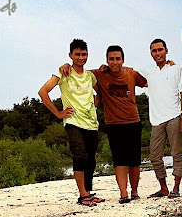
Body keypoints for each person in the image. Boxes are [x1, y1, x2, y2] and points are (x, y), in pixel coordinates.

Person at [61, 46, 147, 204]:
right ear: (107, 60)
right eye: (112, 59)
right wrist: (66, 65)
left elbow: (151, 82)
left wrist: (165, 67)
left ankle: (135, 191)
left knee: (135, 160)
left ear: (123, 60)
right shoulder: (99, 74)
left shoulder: (131, 73)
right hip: (113, 124)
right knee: (119, 160)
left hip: (133, 121)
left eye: (118, 59)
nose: (115, 62)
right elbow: (79, 70)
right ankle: (123, 193)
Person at [38, 39, 103, 206]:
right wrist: (58, 113)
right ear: (70, 55)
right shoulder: (63, 73)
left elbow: (99, 93)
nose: (81, 57)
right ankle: (82, 195)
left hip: (91, 122)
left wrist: (94, 106)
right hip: (73, 121)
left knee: (90, 159)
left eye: (84, 54)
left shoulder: (90, 76)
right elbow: (43, 92)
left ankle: (88, 191)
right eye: (77, 54)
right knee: (79, 155)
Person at [138, 38, 182, 198]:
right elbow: (128, 72)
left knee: (176, 153)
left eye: (160, 49)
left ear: (166, 50)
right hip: (156, 120)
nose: (158, 53)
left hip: (174, 116)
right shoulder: (148, 70)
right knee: (154, 156)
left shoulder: (176, 69)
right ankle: (163, 187)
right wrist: (104, 68)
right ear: (151, 53)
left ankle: (176, 188)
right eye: (154, 50)